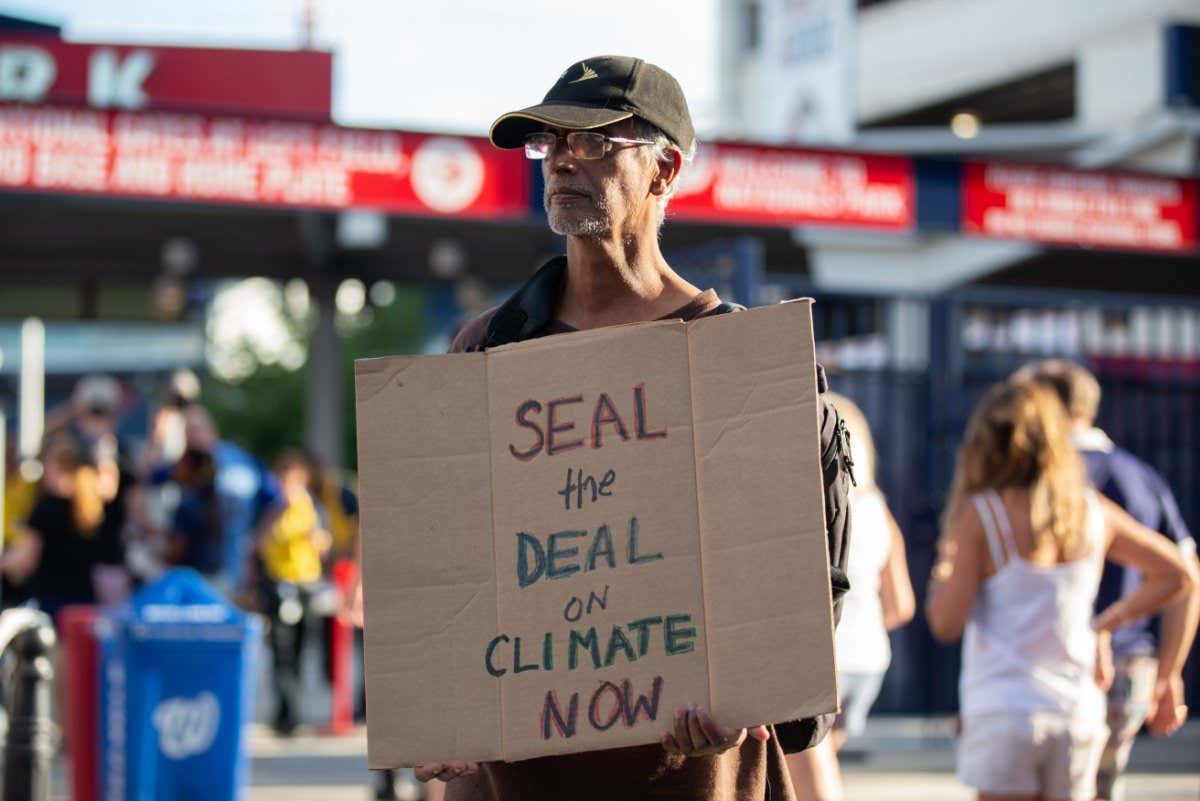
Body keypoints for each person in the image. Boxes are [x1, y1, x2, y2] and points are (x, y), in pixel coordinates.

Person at [400, 54, 853, 801]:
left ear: (664, 169)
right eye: (551, 145)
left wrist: (745, 701)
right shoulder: (488, 351)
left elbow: (796, 616)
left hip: (694, 781)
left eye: (597, 143)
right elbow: (446, 566)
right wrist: (436, 713)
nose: (563, 163)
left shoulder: (744, 365)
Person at [926, 379, 1194, 801]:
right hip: (1076, 711)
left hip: (1004, 711)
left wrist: (945, 566)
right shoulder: (1090, 510)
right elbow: (1180, 574)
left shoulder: (982, 514)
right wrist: (1109, 623)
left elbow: (946, 622)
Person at [1015, 359, 1200, 801]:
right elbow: (1187, 578)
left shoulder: (1042, 479)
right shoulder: (1145, 478)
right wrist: (1170, 673)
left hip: (1052, 664)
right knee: (1102, 786)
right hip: (1132, 666)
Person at [787, 394, 914, 801]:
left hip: (829, 659)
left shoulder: (809, 514)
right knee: (817, 765)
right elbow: (901, 605)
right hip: (870, 662)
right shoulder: (880, 512)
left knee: (811, 775)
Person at [0, 432, 115, 621]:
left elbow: (26, 561)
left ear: (53, 466)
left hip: (52, 605)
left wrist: (3, 562)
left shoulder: (46, 508)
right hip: (85, 605)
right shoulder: (92, 506)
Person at [258, 448, 332, 736]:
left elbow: (324, 543)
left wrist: (315, 535)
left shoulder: (313, 508)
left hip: (306, 583)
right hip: (280, 583)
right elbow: (261, 542)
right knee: (281, 649)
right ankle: (284, 711)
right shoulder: (273, 507)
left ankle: (296, 709)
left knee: (302, 649)